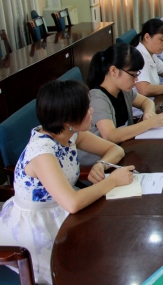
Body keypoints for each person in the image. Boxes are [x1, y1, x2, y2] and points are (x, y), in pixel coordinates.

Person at [0, 80, 134, 284]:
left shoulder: (69, 134)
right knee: (85, 269)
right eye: (86, 108)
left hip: (61, 209)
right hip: (38, 226)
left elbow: (115, 149)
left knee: (109, 246)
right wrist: (113, 180)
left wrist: (101, 165)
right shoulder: (42, 152)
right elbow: (72, 203)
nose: (91, 111)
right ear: (68, 118)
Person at [86, 43, 163, 150]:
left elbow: (146, 102)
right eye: (133, 75)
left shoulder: (122, 90)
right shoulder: (97, 98)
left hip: (125, 148)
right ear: (114, 71)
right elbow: (111, 136)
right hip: (104, 157)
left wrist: (149, 113)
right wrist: (149, 123)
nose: (136, 79)